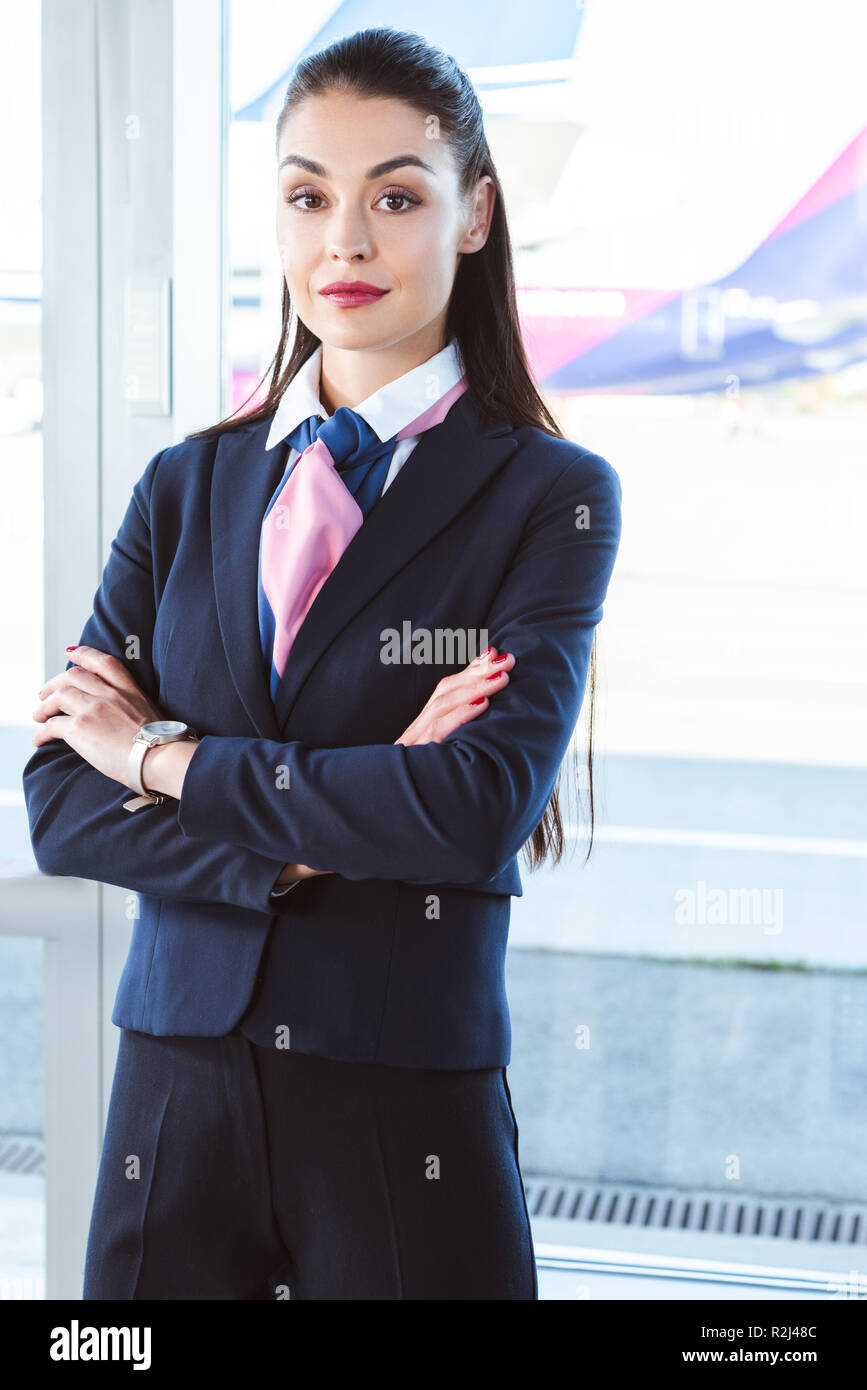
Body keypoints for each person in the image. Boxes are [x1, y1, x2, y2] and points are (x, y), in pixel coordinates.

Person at [23, 27, 622, 1300]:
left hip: (403, 1105)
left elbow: (468, 811)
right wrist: (326, 822)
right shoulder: (186, 485)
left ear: (474, 217)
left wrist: (158, 757)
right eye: (308, 196)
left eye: (395, 197)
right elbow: (63, 808)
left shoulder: (550, 495)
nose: (344, 242)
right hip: (172, 1096)